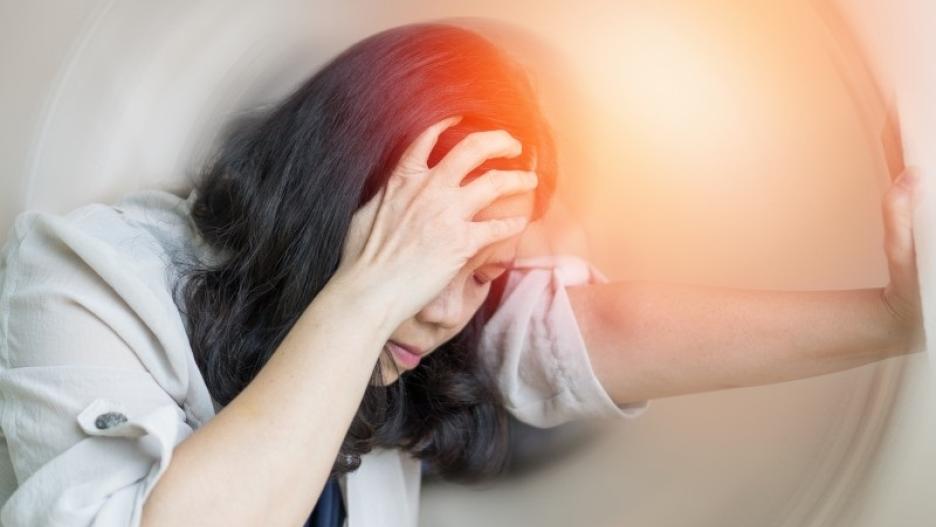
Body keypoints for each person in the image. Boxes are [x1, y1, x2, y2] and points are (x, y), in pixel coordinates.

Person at [0, 21, 923, 527]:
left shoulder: (420, 332)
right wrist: (366, 293)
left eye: (484, 274)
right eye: (427, 254)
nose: (447, 309)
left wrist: (892, 319)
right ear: (333, 196)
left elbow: (592, 334)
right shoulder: (86, 274)